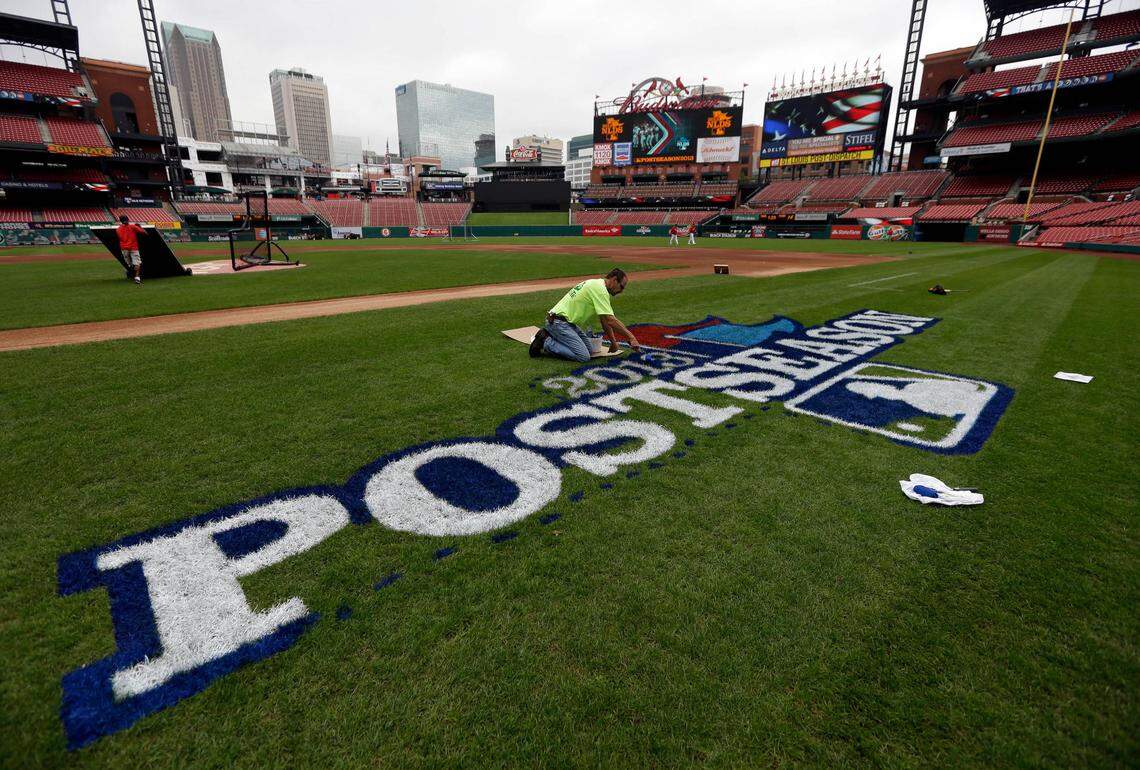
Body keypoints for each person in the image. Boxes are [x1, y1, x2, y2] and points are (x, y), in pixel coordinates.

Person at [530, 268, 641, 362]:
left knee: (590, 350)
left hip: (565, 322)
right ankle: (545, 341)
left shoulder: (597, 284)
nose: (621, 291)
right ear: (614, 280)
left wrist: (613, 341)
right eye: (621, 287)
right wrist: (631, 337)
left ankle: (553, 336)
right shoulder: (600, 290)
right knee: (583, 356)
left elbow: (605, 320)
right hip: (558, 322)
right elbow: (611, 320)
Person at [116, 215, 147, 284]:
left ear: (120, 221)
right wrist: (139, 226)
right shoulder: (132, 226)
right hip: (133, 248)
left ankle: (131, 273)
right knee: (137, 263)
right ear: (128, 219)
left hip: (124, 248)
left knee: (130, 264)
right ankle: (137, 277)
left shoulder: (118, 229)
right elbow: (144, 232)